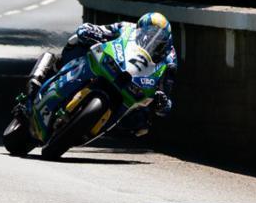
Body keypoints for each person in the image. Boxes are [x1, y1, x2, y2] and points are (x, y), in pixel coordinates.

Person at [29, 12, 179, 135]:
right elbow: (101, 29)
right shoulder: (127, 28)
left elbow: (166, 94)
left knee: (141, 123)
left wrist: (162, 101)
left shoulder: (170, 59)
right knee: (76, 42)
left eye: (158, 38)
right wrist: (90, 30)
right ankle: (48, 73)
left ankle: (99, 126)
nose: (152, 39)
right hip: (116, 64)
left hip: (135, 84)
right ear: (139, 28)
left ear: (166, 40)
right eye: (148, 33)